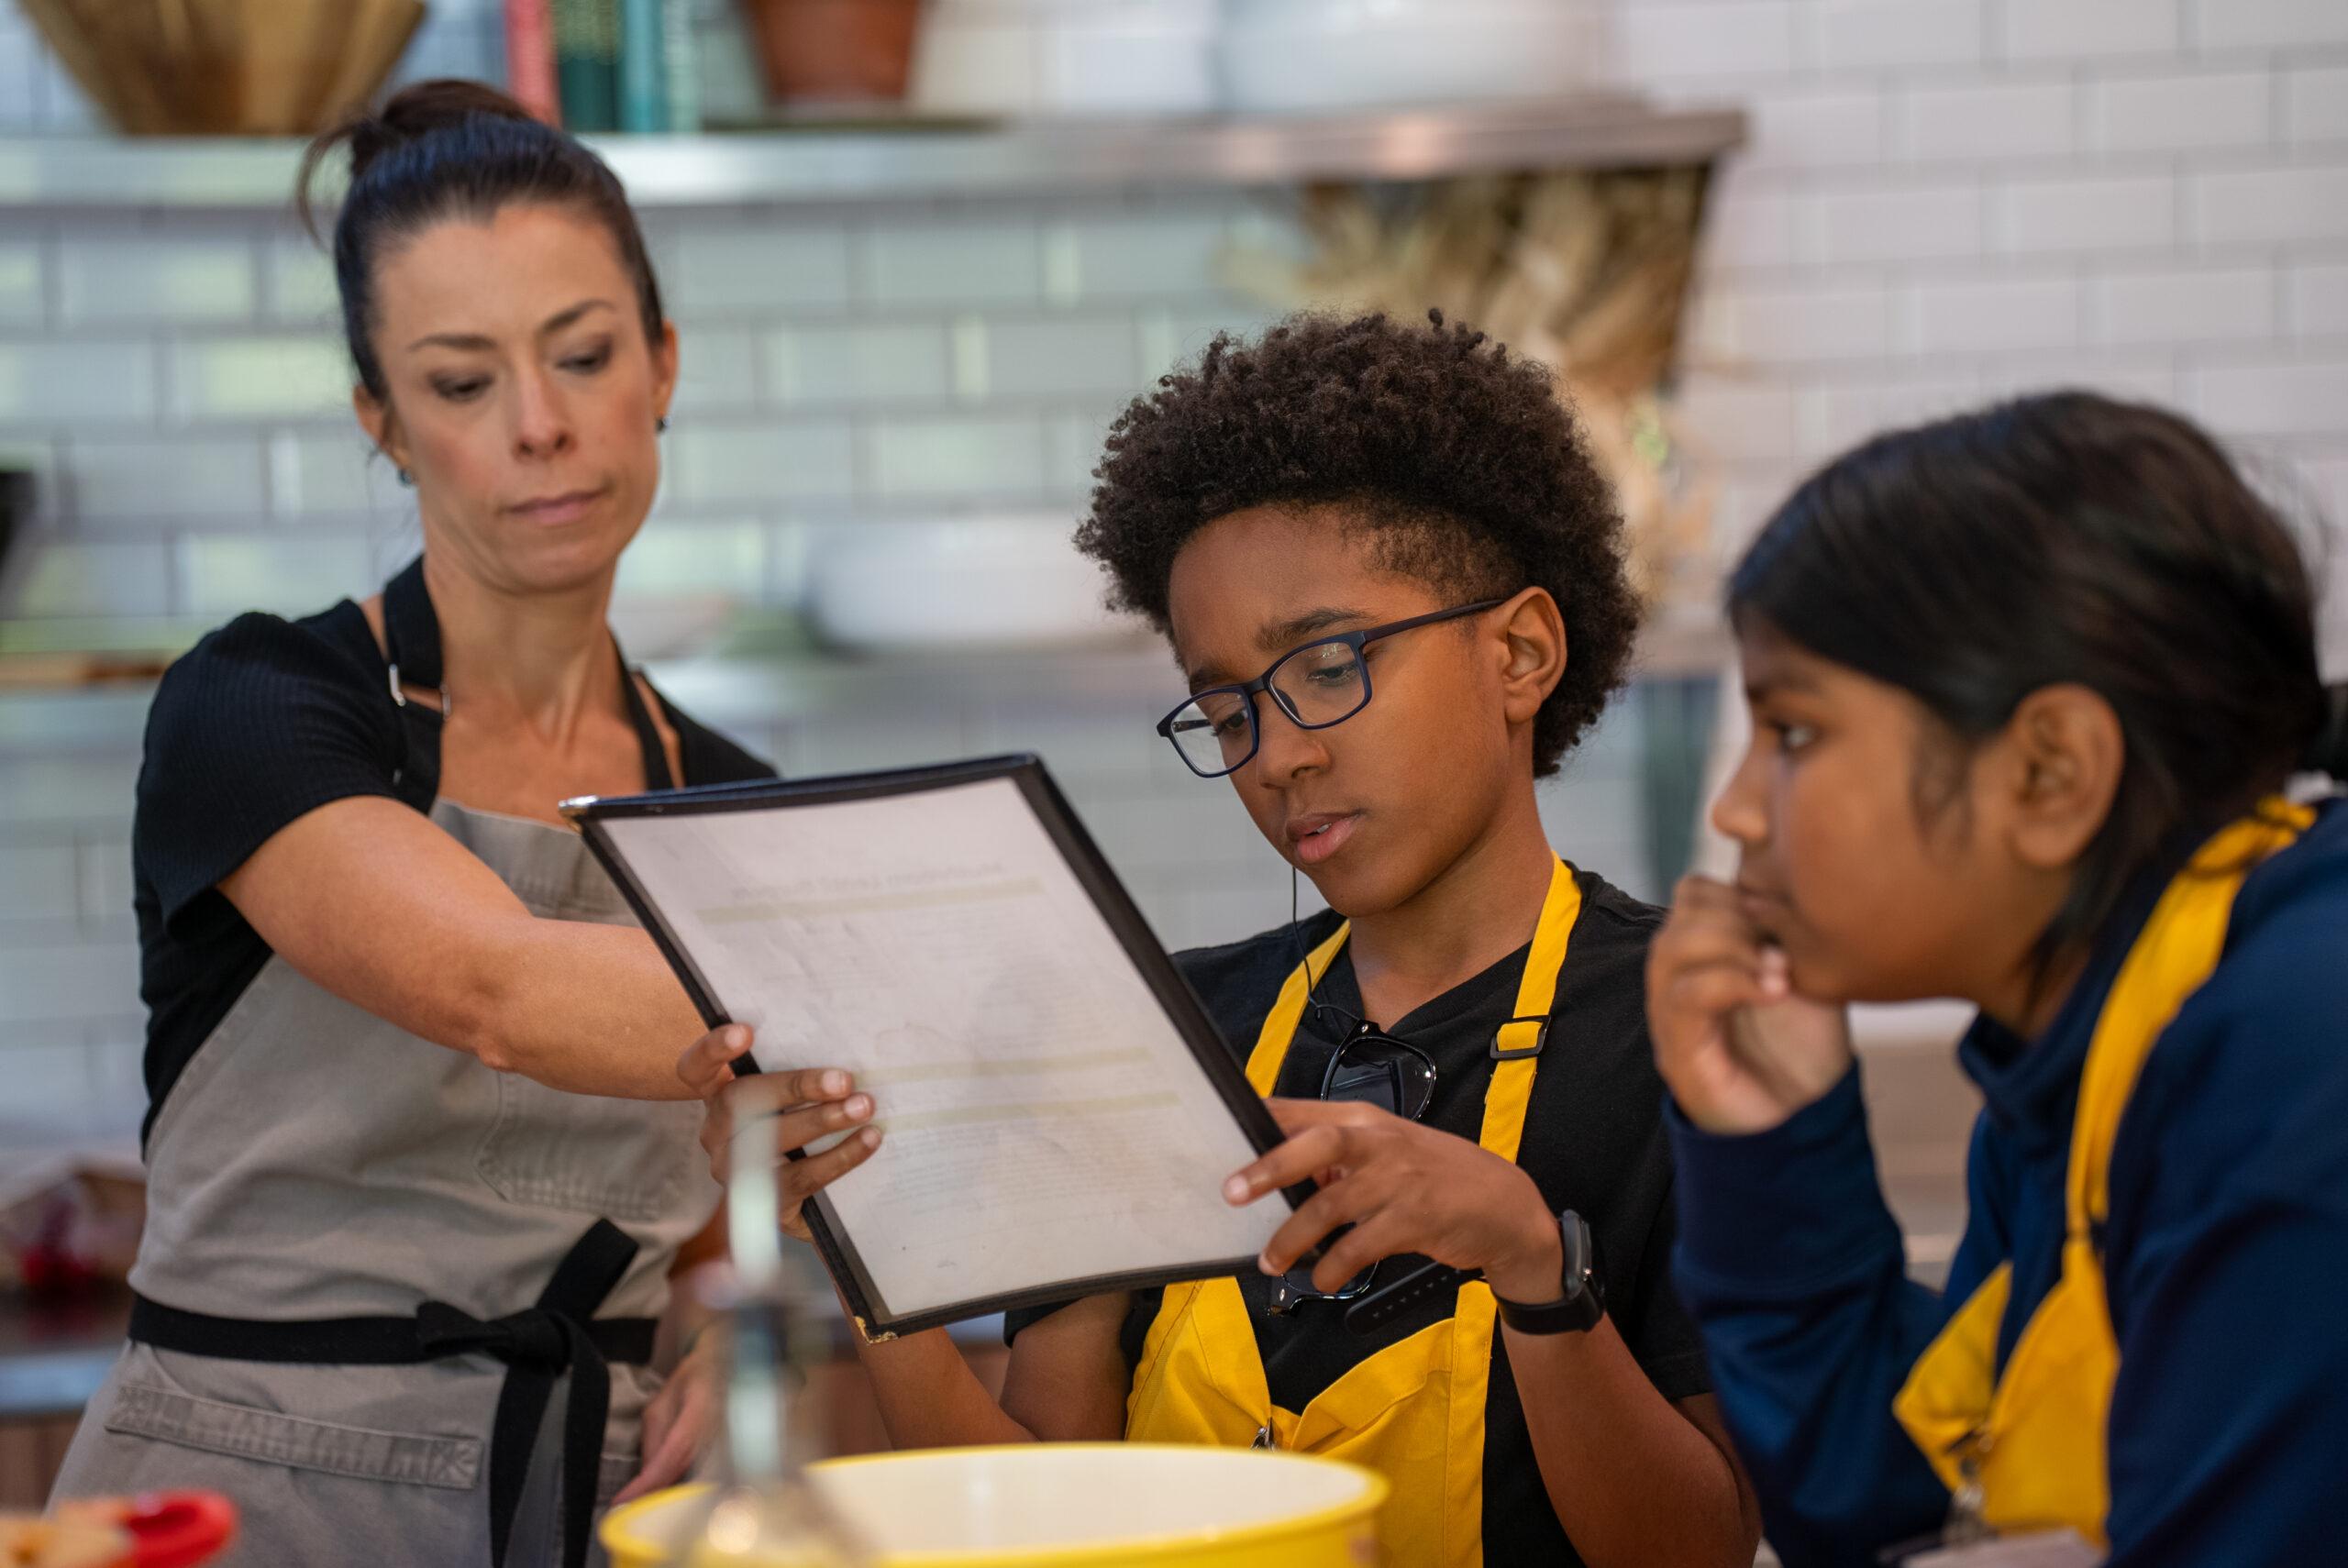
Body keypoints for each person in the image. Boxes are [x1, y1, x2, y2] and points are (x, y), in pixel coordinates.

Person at [684, 312, 1763, 1567]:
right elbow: (1040, 1519)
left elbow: (1700, 1549)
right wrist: (864, 1241)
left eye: (1329, 665)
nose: (1277, 755)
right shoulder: (1158, 1034)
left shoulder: (1686, 1033)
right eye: (1226, 708)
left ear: (1519, 651)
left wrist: (1533, 1261)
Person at [50, 82, 764, 1568]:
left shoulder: (728, 798)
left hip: (600, 1503)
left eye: (584, 355)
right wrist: (900, 992)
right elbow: (497, 988)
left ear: (664, 361)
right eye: (460, 382)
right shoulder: (260, 708)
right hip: (245, 1500)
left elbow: (733, 1199)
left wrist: (725, 1324)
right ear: (380, 418)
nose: (541, 426)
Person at [1647, 392, 2348, 1564]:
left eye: (1794, 732)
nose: (1733, 810)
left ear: (2048, 775)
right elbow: (1900, 1507)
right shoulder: (2073, 1057)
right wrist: (1773, 1148)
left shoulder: (2298, 1057)